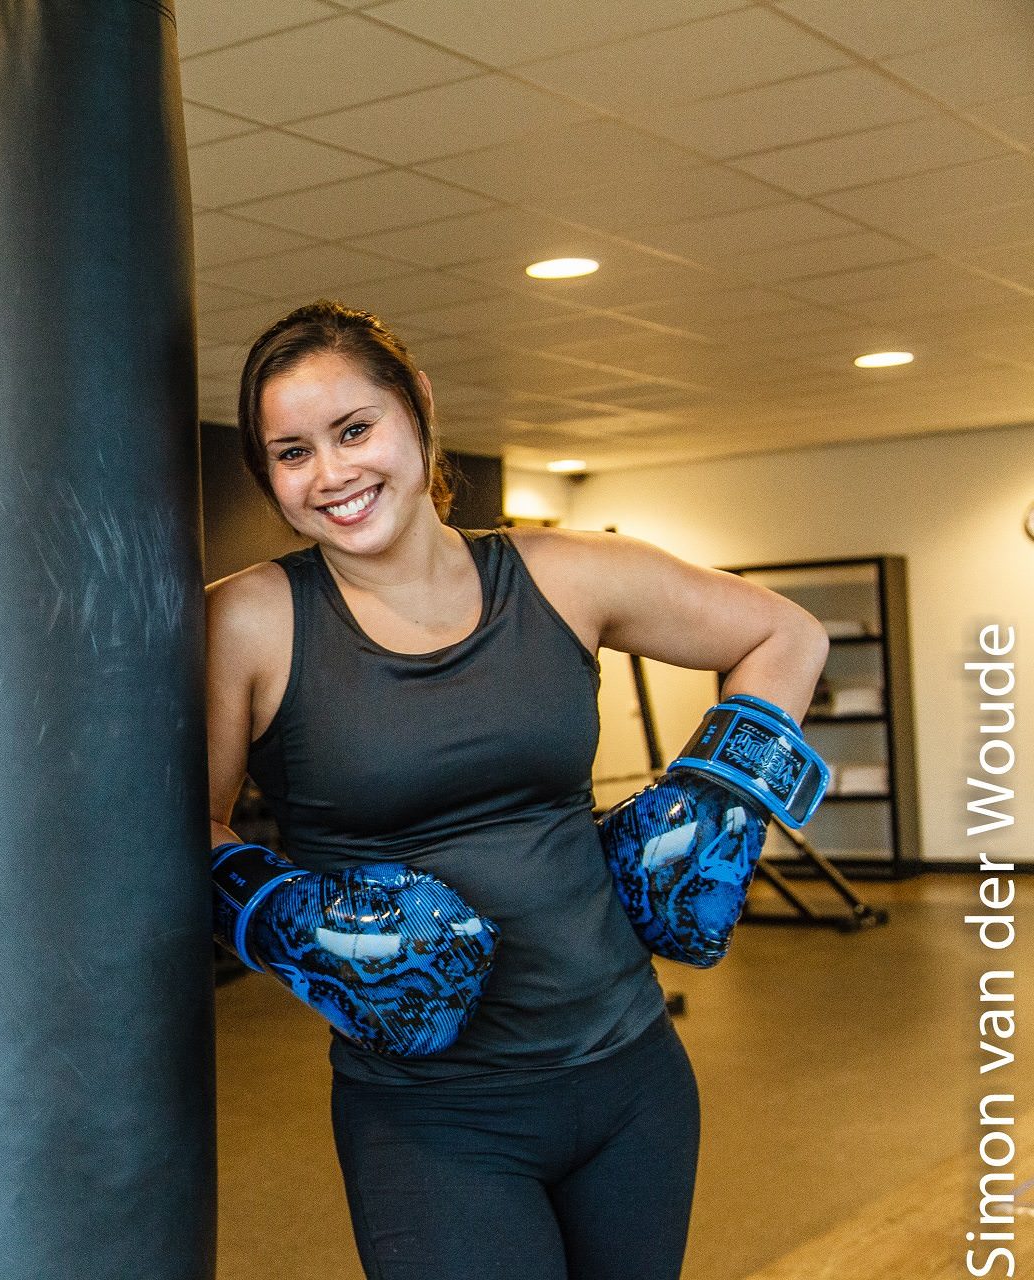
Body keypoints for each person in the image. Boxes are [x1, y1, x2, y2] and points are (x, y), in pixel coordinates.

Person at [204, 299, 830, 1280]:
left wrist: (716, 795)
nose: (330, 472)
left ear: (418, 410)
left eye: (354, 428)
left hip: (632, 1078)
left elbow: (786, 634)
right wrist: (280, 916)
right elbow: (177, 830)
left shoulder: (564, 575)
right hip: (431, 1117)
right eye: (291, 451)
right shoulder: (250, 620)